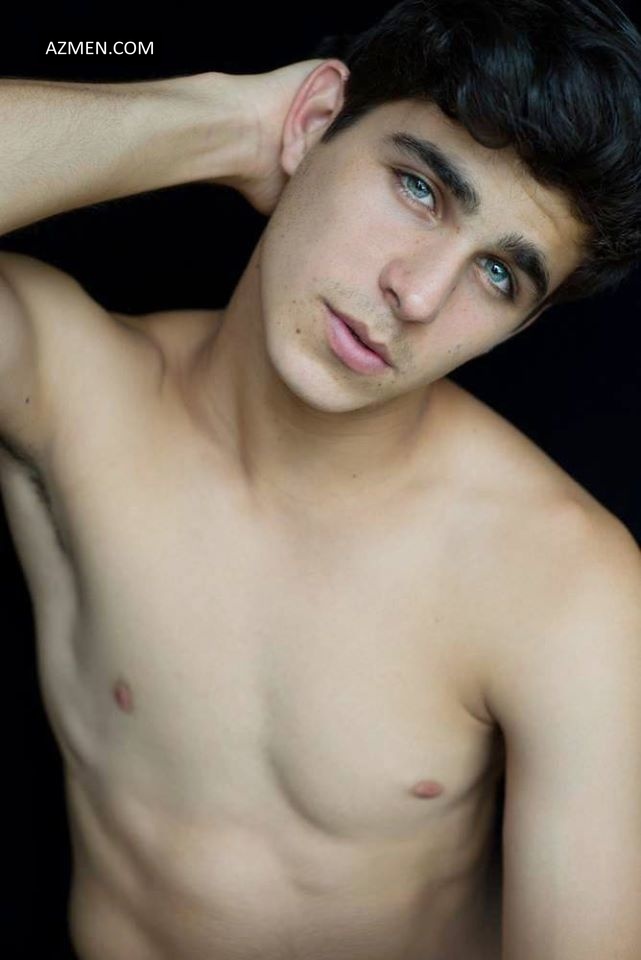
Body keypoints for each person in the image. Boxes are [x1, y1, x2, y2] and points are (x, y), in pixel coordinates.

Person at [1, 1, 640, 957]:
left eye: (498, 276)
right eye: (420, 189)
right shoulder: (70, 392)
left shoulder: (562, 580)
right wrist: (226, 124)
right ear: (312, 124)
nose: (416, 294)